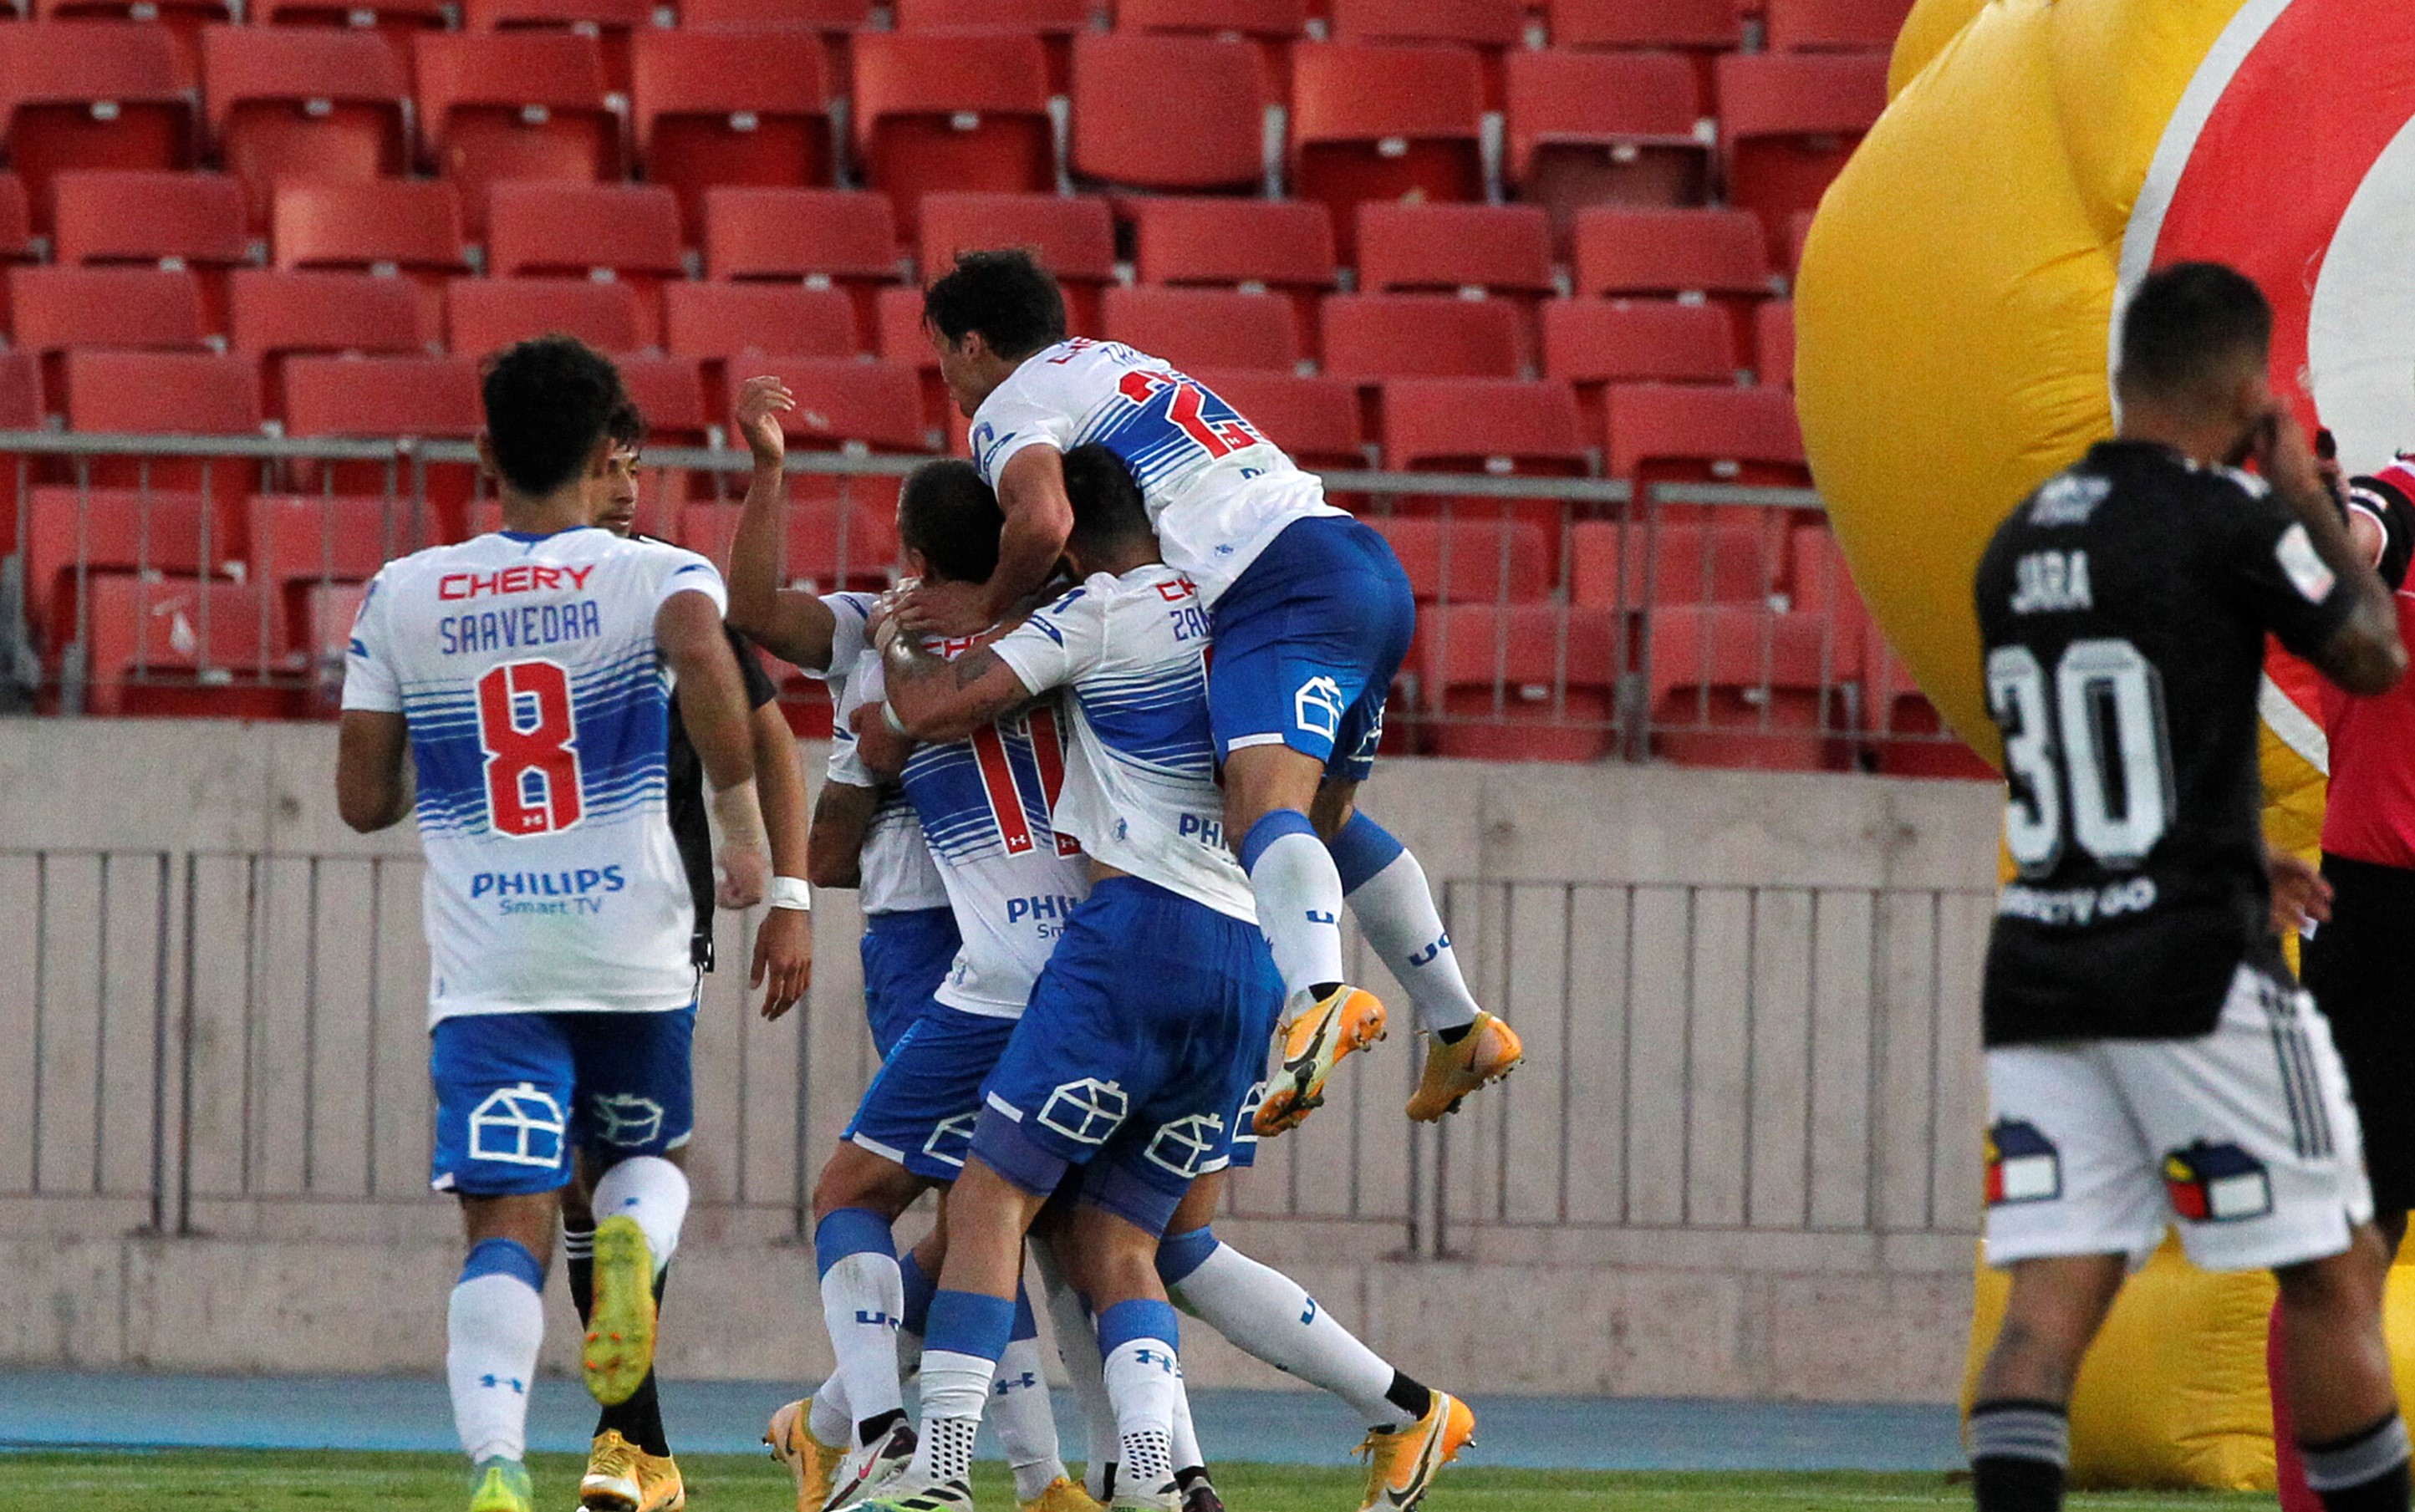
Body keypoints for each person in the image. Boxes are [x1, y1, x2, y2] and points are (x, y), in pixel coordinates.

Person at [867, 445, 1475, 1512]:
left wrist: (896, 647)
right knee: (1129, 1237)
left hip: (1135, 940)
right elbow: (1328, 810)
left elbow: (933, 712)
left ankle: (944, 1464)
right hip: (1250, 954)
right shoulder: (1244, 619)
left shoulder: (1102, 614)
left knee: (991, 1193)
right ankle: (1159, 1470)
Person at [1966, 262, 2409, 1512]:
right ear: (2241, 388)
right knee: (2337, 1264)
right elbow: (2372, 650)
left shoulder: (2020, 538)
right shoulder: (2230, 519)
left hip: (2044, 961)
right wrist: (2293, 493)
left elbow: (2094, 743)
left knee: (2047, 1309)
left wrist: (2219, 843)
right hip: (2190, 970)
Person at [899, 250, 1522, 1136]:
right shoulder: (1122, 362)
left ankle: (1318, 997)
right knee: (1325, 821)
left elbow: (1043, 522)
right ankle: (1459, 1024)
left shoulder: (1011, 404)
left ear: (970, 344)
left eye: (943, 359)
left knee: (1257, 808)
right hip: (1355, 559)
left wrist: (987, 611)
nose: (950, 386)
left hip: (1276, 583)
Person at [335, 337, 761, 1512]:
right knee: (644, 1165)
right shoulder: (657, 573)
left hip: (491, 964)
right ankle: (633, 1248)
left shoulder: (404, 590)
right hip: (631, 946)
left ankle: (499, 1464)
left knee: (504, 1220)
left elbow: (363, 801)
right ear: (601, 452)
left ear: (486, 451)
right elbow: (698, 648)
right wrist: (743, 831)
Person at [724, 389, 1093, 1512]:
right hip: (926, 937)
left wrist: (867, 771)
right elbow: (753, 612)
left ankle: (846, 1422)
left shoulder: (983, 645)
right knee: (978, 1202)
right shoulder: (892, 631)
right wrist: (772, 474)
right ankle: (1025, 1471)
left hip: (982, 935)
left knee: (989, 1201)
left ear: (923, 550)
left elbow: (835, 825)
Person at [553, 400, 816, 1512]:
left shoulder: (668, 581)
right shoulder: (608, 584)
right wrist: (783, 889)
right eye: (605, 469)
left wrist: (790, 892)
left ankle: (628, 1443)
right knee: (596, 1183)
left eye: (635, 467)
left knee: (595, 1180)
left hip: (612, 914)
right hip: (625, 922)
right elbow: (766, 745)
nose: (625, 490)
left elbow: (768, 741)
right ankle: (636, 1449)